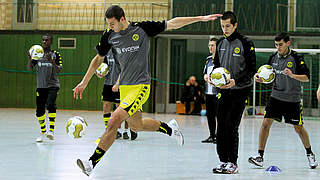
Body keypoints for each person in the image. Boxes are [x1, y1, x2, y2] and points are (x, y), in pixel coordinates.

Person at [73, 5, 222, 176]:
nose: (110, 27)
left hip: (141, 86)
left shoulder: (142, 29)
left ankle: (91, 163)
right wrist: (84, 82)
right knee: (137, 126)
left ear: (122, 19)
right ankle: (170, 129)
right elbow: (97, 59)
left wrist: (200, 18)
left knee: (114, 120)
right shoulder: (109, 36)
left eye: (112, 23)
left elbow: (172, 23)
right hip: (125, 89)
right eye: (108, 24)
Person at [248, 32, 318, 169]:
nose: (278, 47)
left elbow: (307, 77)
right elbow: (268, 75)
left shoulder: (297, 57)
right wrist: (260, 78)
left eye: (280, 45)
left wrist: (292, 75)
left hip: (292, 99)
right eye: (276, 45)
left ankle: (310, 154)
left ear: (288, 43)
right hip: (276, 97)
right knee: (265, 124)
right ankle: (260, 156)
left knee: (298, 128)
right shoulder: (273, 57)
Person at [210, 11, 256, 174]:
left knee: (231, 125)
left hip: (240, 91)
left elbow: (251, 69)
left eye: (228, 26)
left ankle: (233, 162)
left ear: (235, 25)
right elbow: (216, 66)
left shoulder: (245, 43)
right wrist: (212, 78)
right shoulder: (220, 43)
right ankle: (223, 161)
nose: (225, 29)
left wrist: (235, 81)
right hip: (223, 91)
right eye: (222, 26)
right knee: (221, 126)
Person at [27, 34, 62, 142]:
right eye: (43, 40)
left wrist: (51, 61)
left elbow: (59, 70)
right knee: (39, 111)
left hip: (53, 85)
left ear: (51, 42)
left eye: (47, 40)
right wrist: (30, 58)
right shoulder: (37, 54)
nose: (44, 42)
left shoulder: (56, 54)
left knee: (51, 104)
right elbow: (29, 68)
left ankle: (51, 131)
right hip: (41, 86)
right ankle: (43, 131)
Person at [95, 52, 137, 142]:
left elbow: (124, 69)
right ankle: (109, 130)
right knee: (106, 105)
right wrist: (99, 73)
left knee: (120, 108)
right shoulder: (107, 52)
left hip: (121, 84)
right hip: (108, 83)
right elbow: (103, 66)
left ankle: (125, 130)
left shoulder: (122, 51)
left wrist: (117, 83)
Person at [201, 37, 218, 143]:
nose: (210, 47)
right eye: (209, 45)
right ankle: (212, 135)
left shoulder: (221, 59)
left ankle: (219, 136)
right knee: (210, 115)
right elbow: (204, 73)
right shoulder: (208, 60)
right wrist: (206, 77)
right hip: (208, 92)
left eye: (213, 45)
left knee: (219, 115)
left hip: (218, 92)